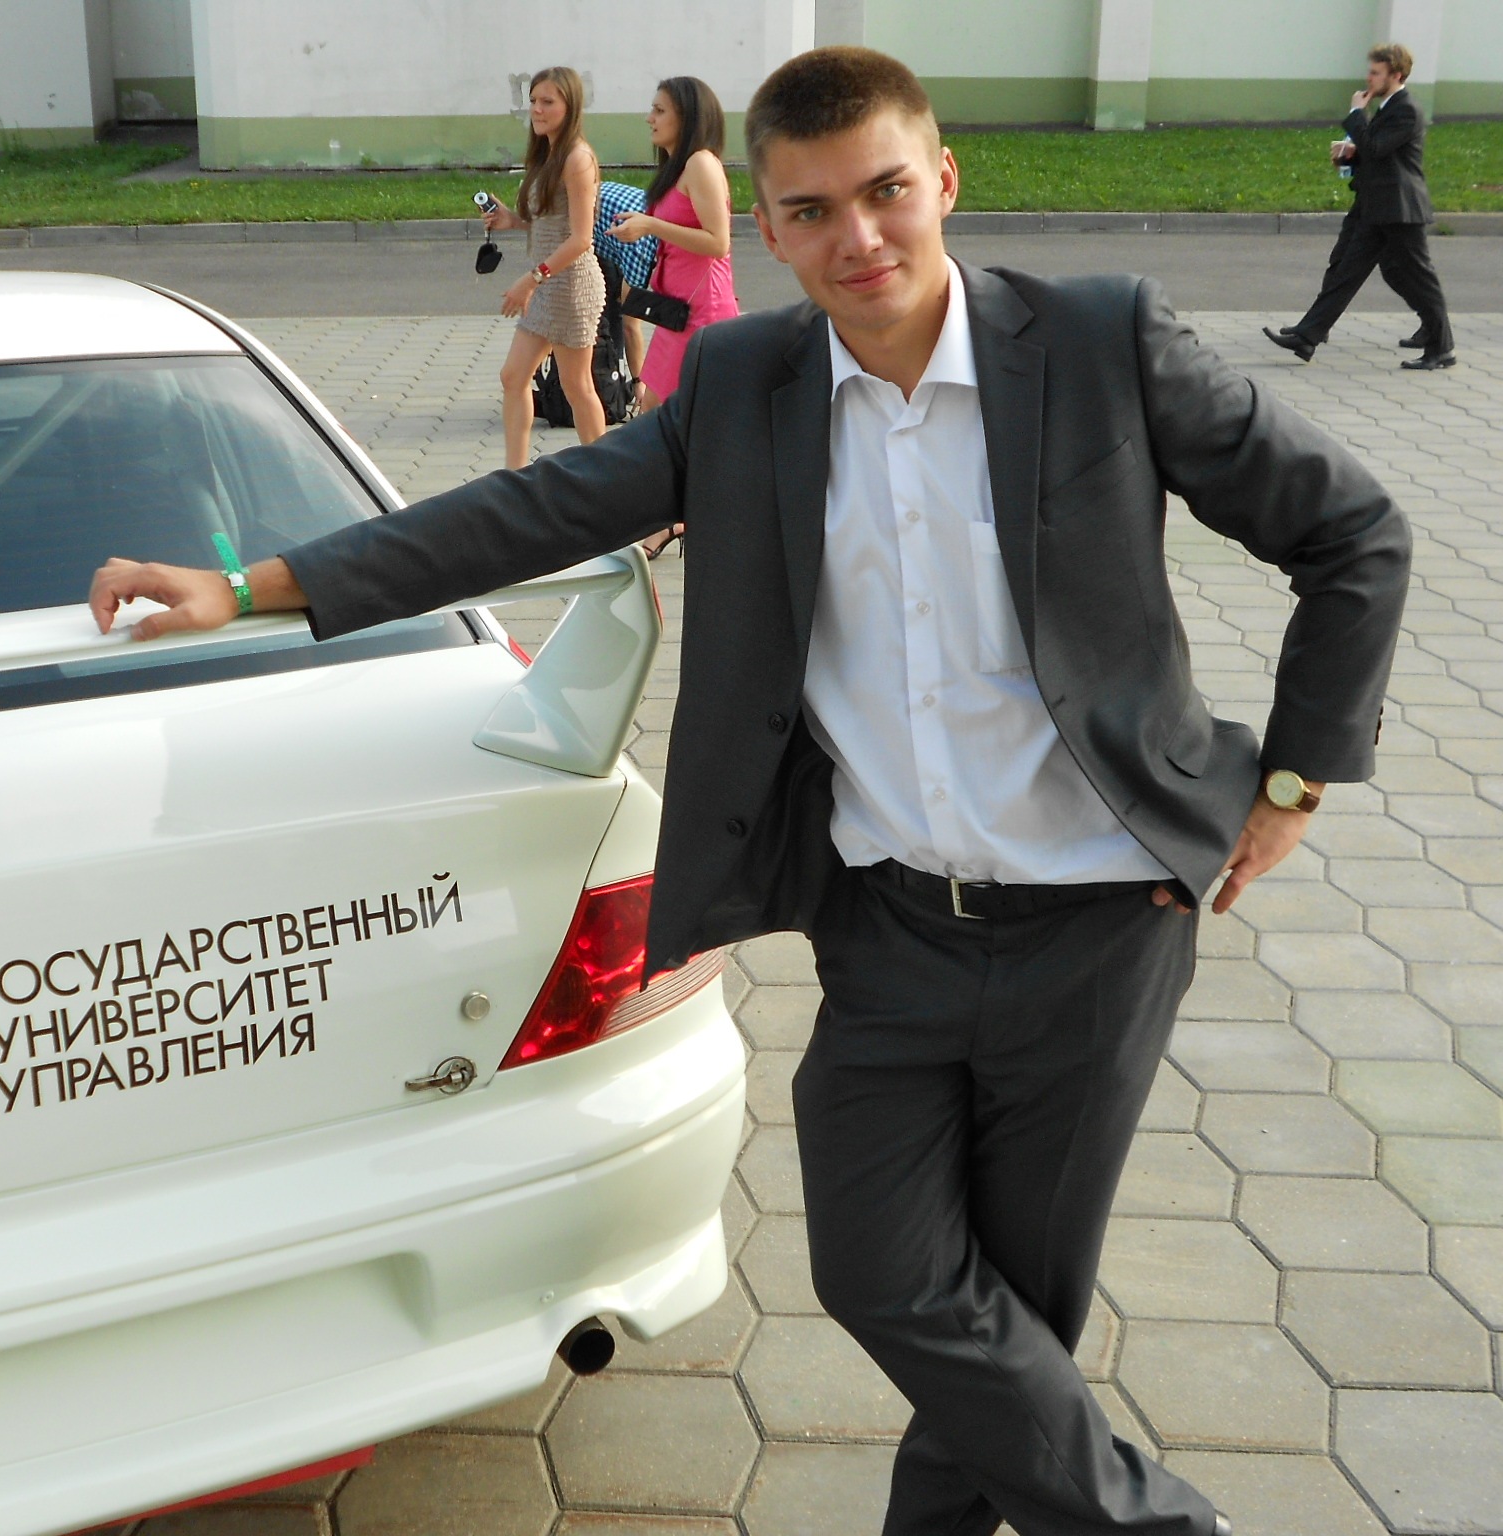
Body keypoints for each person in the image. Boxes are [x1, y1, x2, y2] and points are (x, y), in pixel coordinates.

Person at [92, 46, 1409, 1536]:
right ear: (765, 227)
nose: (862, 238)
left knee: (1004, 1324)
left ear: (943, 179)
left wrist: (1292, 779)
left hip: (1104, 927)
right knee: (883, 1274)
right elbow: (527, 511)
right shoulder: (744, 384)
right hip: (890, 927)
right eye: (813, 210)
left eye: (887, 192)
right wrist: (250, 587)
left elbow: (1353, 535)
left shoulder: (1099, 341)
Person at [1265, 42, 1455, 371]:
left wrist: (1356, 115)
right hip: (1377, 206)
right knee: (1347, 271)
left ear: (1396, 75)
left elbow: (1377, 148)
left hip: (1400, 209)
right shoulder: (1388, 108)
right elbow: (1376, 153)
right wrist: (1349, 158)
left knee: (1418, 278)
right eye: (1370, 71)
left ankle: (1442, 348)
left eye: (1376, 73)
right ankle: (1308, 336)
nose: (1369, 78)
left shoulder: (1406, 109)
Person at [478, 65, 608, 467]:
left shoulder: (577, 158)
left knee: (577, 386)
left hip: (570, 287)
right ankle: (516, 475)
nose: (537, 109)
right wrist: (513, 221)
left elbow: (581, 238)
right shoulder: (548, 153)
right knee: (513, 377)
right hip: (548, 284)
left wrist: (532, 279)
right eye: (533, 100)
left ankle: (608, 474)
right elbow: (552, 223)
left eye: (548, 102)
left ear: (570, 107)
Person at [610, 76, 742, 412]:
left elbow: (718, 242)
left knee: (669, 415)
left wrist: (651, 225)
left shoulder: (701, 164)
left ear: (687, 116)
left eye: (659, 110)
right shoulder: (679, 167)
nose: (649, 118)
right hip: (677, 312)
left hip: (704, 312)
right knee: (657, 413)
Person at [593, 179, 658, 403]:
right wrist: (640, 381)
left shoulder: (665, 215)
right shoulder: (641, 253)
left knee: (618, 301)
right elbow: (631, 326)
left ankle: (611, 378)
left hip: (597, 199)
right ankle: (607, 384)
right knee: (613, 311)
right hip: (575, 225)